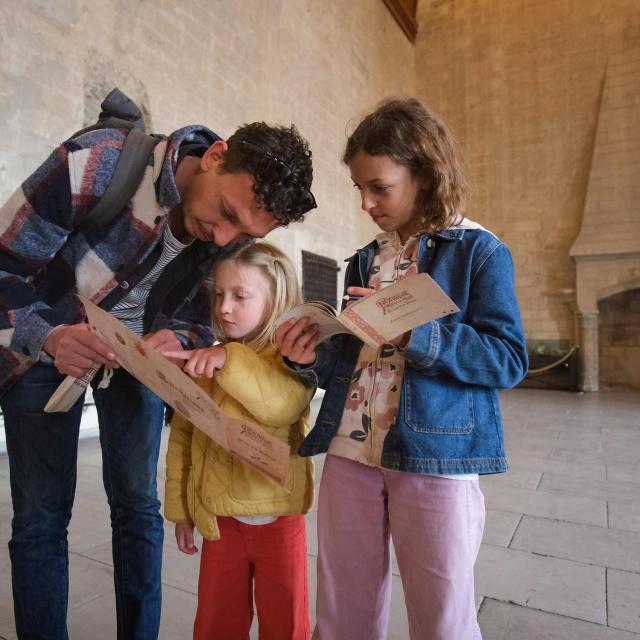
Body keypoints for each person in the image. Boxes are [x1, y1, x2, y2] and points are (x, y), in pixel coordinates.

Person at [0, 116, 316, 640]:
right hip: (46, 350)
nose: (222, 238)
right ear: (215, 156)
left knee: (138, 510)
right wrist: (50, 335)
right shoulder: (99, 163)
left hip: (139, 366)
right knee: (40, 517)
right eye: (225, 214)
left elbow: (199, 317)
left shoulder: (228, 233)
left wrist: (185, 339)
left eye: (243, 233)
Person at [276, 97, 528, 640]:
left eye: (379, 187)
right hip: (350, 448)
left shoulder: (480, 252)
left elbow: (508, 359)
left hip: (434, 455)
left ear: (424, 174)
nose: (366, 203)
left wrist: (419, 334)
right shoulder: (366, 259)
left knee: (442, 616)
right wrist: (310, 352)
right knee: (343, 609)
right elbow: (355, 355)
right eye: (359, 188)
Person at [162, 241, 315, 640]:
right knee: (217, 621)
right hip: (220, 519)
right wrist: (181, 508)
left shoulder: (293, 361)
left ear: (276, 300)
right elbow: (182, 438)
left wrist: (230, 358)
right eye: (219, 295)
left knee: (285, 622)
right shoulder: (207, 360)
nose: (224, 307)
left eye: (240, 296)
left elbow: (280, 406)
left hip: (279, 522)